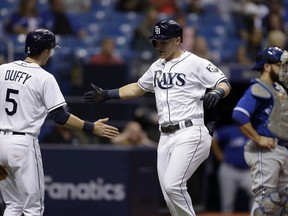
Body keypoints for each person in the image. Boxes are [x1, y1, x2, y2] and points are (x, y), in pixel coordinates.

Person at [84, 19, 231, 216]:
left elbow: (223, 82)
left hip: (190, 131)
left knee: (173, 186)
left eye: (164, 41)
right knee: (168, 194)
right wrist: (108, 94)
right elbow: (138, 87)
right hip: (165, 136)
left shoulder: (195, 62)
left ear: (178, 40)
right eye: (156, 41)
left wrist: (217, 93)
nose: (159, 45)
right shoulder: (157, 67)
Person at [0, 28, 119, 216]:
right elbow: (60, 116)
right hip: (22, 145)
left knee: (13, 205)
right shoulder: (44, 77)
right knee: (33, 208)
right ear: (46, 51)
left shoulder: (3, 69)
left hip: (1, 143)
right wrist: (91, 127)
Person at [232, 46, 288, 215]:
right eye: (281, 65)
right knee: (268, 201)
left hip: (282, 149)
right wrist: (258, 138)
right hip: (266, 149)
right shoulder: (259, 87)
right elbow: (239, 114)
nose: (285, 70)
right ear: (267, 66)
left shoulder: (279, 89)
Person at [211, 123, 253, 213]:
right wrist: (218, 154)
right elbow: (213, 137)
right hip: (229, 168)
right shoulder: (230, 130)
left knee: (257, 194)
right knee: (227, 203)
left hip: (247, 171)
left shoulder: (253, 131)